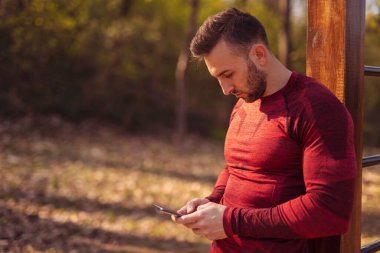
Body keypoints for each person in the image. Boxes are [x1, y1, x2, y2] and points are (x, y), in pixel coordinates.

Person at [173, 7, 357, 253]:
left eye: (228, 74)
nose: (225, 89)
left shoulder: (316, 107)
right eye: (217, 78)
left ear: (259, 55)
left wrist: (230, 221)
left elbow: (329, 210)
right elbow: (236, 168)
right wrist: (212, 201)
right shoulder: (244, 102)